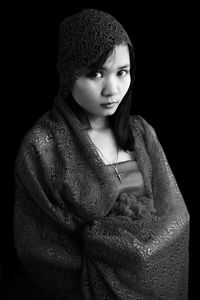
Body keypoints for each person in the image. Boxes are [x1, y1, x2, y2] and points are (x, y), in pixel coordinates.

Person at [13, 8, 190, 300]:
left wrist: (143, 255)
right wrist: (105, 255)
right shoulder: (43, 147)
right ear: (69, 74)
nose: (112, 89)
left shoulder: (141, 133)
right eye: (96, 73)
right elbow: (40, 248)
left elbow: (175, 218)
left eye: (122, 72)